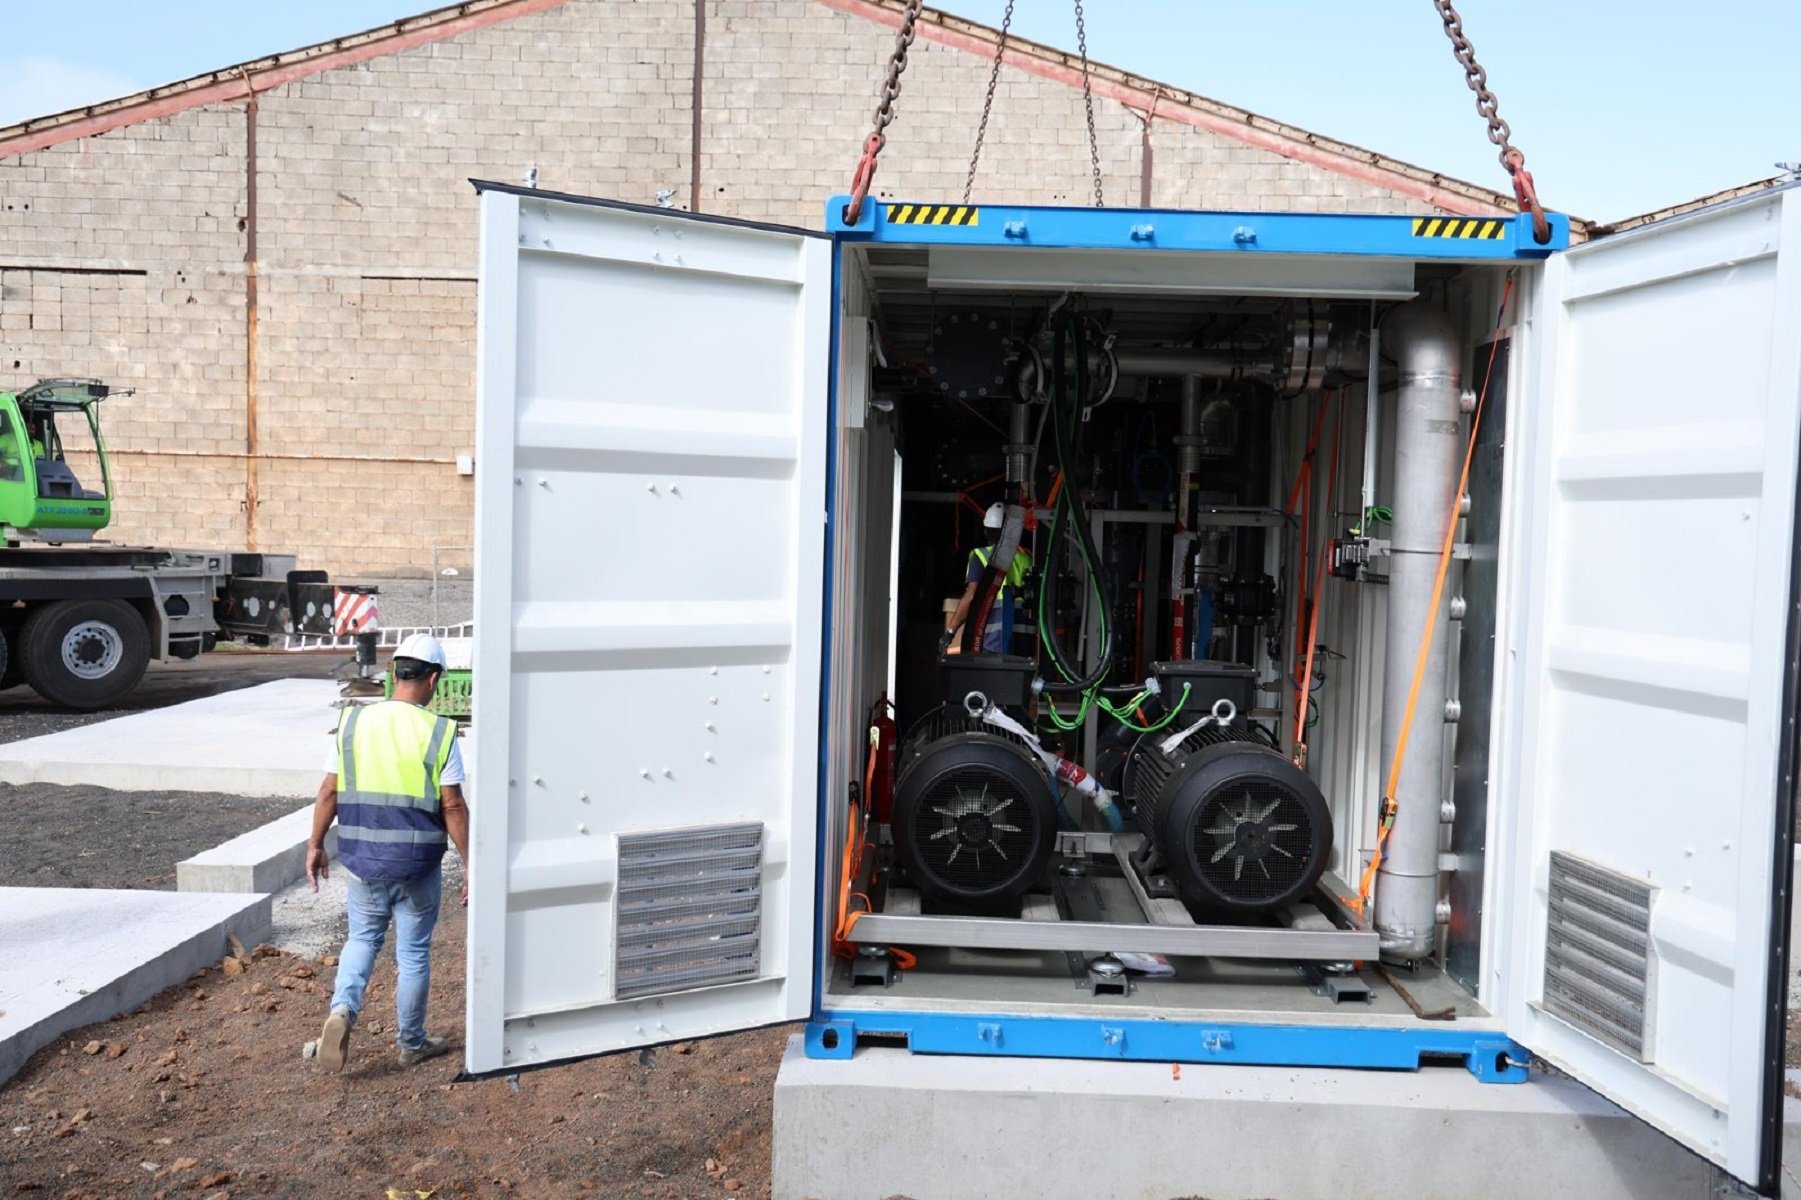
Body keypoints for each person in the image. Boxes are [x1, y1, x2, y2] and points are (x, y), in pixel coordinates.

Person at [305, 632, 469, 1071]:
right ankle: (411, 1043)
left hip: (362, 863)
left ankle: (342, 1011)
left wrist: (316, 844)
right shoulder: (439, 731)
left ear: (395, 673)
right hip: (416, 868)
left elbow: (328, 791)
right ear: (433, 680)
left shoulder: (353, 722)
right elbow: (452, 803)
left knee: (362, 938)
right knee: (413, 954)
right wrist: (473, 865)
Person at [945, 502, 1032, 654]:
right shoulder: (1026, 559)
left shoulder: (981, 556)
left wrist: (950, 631)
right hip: (1022, 644)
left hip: (991, 642)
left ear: (986, 531)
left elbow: (971, 596)